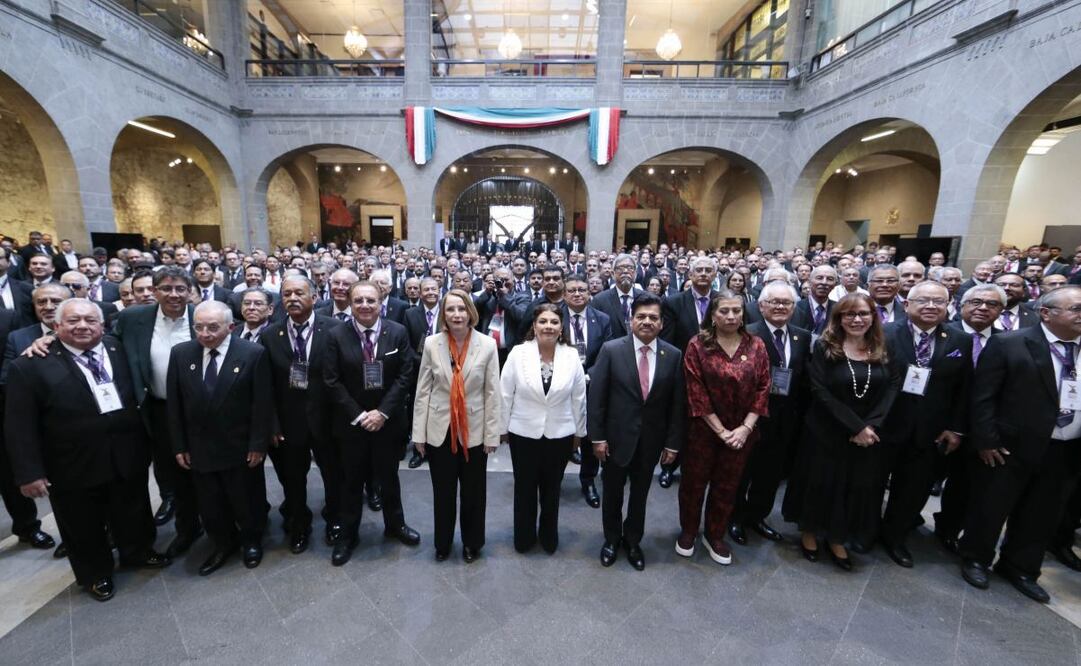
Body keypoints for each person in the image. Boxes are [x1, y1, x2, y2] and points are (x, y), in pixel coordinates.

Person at [6, 299, 168, 601]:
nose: (82, 326)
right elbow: (19, 425)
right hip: (71, 463)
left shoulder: (118, 348)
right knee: (82, 523)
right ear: (56, 326)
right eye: (73, 321)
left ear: (102, 325)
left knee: (132, 508)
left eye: (90, 320)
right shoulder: (30, 365)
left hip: (126, 452)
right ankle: (95, 573)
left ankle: (137, 551)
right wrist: (29, 473)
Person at [959, 286, 1081, 603]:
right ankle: (976, 558)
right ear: (1046, 313)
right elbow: (983, 397)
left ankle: (1021, 568)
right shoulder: (1010, 343)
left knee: (1042, 513)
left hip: (1066, 449)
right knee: (991, 505)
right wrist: (986, 439)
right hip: (1009, 446)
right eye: (1076, 309)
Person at [782, 293, 899, 571]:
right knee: (820, 483)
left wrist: (870, 425)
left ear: (873, 317)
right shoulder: (826, 346)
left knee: (851, 486)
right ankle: (810, 532)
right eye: (850, 314)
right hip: (826, 430)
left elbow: (893, 385)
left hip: (867, 433)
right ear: (839, 318)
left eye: (863, 314)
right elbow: (819, 390)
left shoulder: (883, 346)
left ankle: (837, 538)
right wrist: (856, 426)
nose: (857, 320)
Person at [167, 301, 273, 575]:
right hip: (200, 446)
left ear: (230, 327)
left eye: (213, 327)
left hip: (239, 444)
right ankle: (222, 543)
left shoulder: (252, 353)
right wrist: (179, 444)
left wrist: (258, 444)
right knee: (210, 502)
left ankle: (251, 541)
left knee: (246, 497)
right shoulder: (181, 353)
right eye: (199, 327)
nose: (205, 333)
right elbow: (175, 404)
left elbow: (261, 404)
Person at [324, 282, 421, 566]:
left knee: (389, 477)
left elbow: (405, 375)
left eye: (370, 300)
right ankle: (348, 536)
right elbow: (331, 380)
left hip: (388, 423)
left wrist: (382, 413)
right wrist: (360, 415)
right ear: (350, 303)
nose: (365, 305)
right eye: (358, 301)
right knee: (351, 481)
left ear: (381, 303)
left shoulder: (397, 331)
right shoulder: (335, 334)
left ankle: (395, 525)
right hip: (351, 424)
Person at [877, 281, 972, 568]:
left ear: (949, 306)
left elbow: (964, 389)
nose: (931, 306)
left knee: (913, 490)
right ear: (907, 304)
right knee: (871, 483)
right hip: (885, 424)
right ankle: (864, 530)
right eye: (923, 300)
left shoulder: (959, 340)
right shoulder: (883, 332)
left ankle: (895, 537)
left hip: (931, 430)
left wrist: (956, 428)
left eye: (939, 301)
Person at [590, 292, 686, 571]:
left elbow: (677, 404)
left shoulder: (673, 355)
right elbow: (597, 399)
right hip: (614, 441)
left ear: (661, 323)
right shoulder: (611, 350)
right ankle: (611, 539)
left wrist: (673, 443)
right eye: (641, 316)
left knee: (640, 495)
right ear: (630, 320)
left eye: (653, 317)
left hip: (651, 442)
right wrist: (598, 438)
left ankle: (633, 541)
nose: (647, 321)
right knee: (612, 494)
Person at [676, 291, 771, 565]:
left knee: (727, 486)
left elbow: (764, 388)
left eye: (736, 311)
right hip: (703, 431)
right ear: (713, 315)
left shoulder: (756, 345)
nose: (731, 316)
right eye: (724, 311)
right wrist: (720, 431)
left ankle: (715, 534)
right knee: (693, 484)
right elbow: (696, 391)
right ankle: (689, 531)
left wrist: (745, 429)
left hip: (742, 433)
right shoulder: (697, 345)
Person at [412, 289, 501, 563]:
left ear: (470, 312)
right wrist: (418, 434)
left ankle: (472, 543)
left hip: (474, 429)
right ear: (444, 314)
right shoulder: (432, 344)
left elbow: (492, 392)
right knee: (443, 492)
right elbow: (423, 391)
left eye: (461, 309)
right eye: (450, 309)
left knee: (474, 492)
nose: (457, 314)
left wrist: (492, 435)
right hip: (439, 428)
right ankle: (443, 543)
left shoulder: (487, 344)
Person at [260, 275, 344, 553]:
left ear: (314, 297)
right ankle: (299, 525)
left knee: (334, 475)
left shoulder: (334, 329)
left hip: (327, 420)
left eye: (299, 293)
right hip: (288, 423)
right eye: (287, 294)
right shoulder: (270, 334)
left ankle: (335, 519)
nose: (292, 298)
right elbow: (267, 385)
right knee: (293, 480)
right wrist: (272, 423)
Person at [499, 304, 587, 554]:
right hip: (523, 433)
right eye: (543, 321)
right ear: (534, 326)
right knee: (524, 488)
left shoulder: (571, 355)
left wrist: (579, 433)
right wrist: (502, 428)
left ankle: (549, 535)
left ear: (561, 327)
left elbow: (579, 397)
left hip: (560, 434)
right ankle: (524, 536)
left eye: (554, 322)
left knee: (552, 489)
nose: (548, 326)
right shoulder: (518, 353)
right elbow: (505, 393)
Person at [730, 282, 811, 545]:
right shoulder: (746, 334)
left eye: (786, 302)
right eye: (774, 302)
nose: (780, 307)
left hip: (785, 420)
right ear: (761, 305)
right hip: (750, 419)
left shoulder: (802, 337)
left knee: (770, 474)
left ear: (793, 307)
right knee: (742, 472)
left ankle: (757, 516)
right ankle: (734, 517)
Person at [658, 256, 719, 488]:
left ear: (715, 275)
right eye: (698, 270)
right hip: (684, 371)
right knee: (679, 419)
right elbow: (668, 340)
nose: (703, 273)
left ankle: (702, 468)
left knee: (707, 422)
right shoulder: (674, 302)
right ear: (690, 275)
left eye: (708, 270)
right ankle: (669, 467)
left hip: (716, 374)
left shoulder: (722, 301)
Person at [562, 275, 612, 508]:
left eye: (581, 290)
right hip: (561, 385)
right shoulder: (554, 316)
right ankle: (553, 479)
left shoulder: (602, 319)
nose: (577, 294)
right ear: (564, 295)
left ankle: (588, 480)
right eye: (572, 290)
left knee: (590, 434)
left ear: (589, 293)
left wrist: (589, 374)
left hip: (593, 384)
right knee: (561, 434)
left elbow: (607, 351)